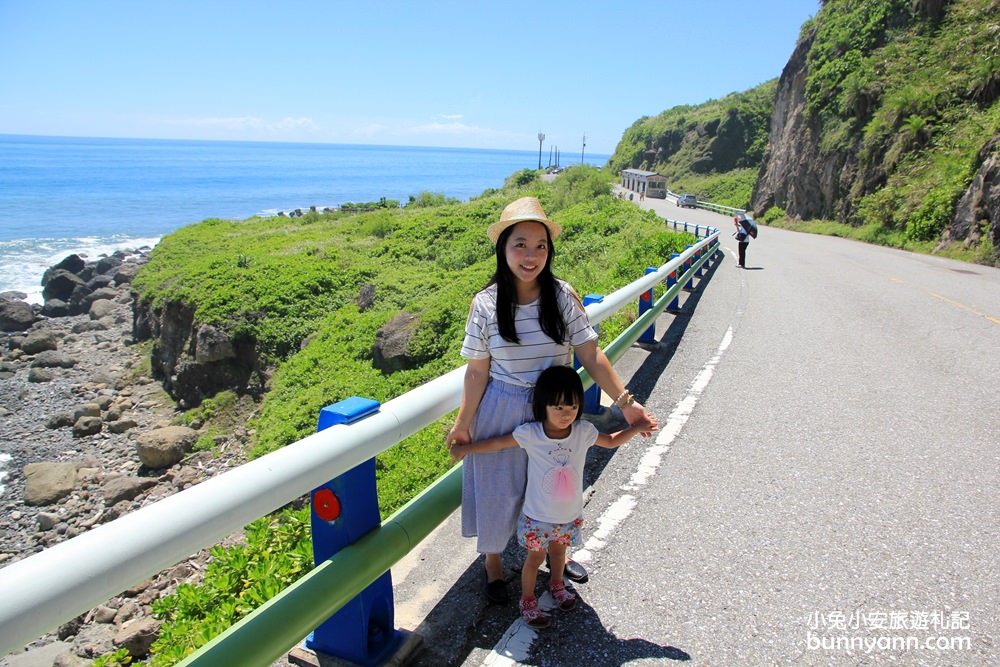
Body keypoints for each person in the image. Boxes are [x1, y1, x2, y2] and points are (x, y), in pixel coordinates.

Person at [446, 196, 652, 605]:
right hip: (501, 406)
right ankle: (493, 563)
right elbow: (476, 371)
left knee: (555, 486)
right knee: (499, 488)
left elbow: (590, 353)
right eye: (520, 244)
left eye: (540, 246)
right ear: (502, 248)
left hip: (556, 410)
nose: (531, 255)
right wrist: (463, 422)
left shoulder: (562, 296)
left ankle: (555, 557)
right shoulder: (485, 303)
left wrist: (626, 401)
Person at [449, 365, 658, 627]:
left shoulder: (583, 431)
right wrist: (467, 449)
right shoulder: (532, 434)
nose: (565, 414)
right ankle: (527, 600)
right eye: (557, 407)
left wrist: (636, 429)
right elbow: (497, 443)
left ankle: (557, 586)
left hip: (568, 515)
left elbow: (611, 441)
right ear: (543, 406)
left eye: (571, 406)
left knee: (559, 555)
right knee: (534, 559)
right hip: (537, 516)